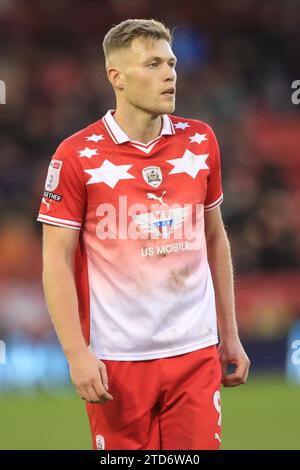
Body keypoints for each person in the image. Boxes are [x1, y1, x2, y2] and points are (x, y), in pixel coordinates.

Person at [37, 18, 250, 450]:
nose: (170, 74)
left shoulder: (201, 141)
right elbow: (56, 260)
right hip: (118, 359)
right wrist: (77, 353)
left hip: (195, 351)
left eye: (171, 63)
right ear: (116, 76)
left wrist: (229, 334)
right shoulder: (76, 155)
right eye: (153, 64)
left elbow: (214, 238)